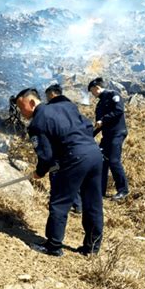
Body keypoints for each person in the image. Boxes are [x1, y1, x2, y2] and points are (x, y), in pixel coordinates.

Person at [13, 87, 103, 257]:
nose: (21, 112)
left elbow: (45, 156)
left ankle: (53, 246)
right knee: (93, 202)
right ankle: (92, 248)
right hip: (94, 153)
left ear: (31, 102)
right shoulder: (66, 105)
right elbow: (87, 125)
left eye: (21, 107)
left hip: (74, 157)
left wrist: (40, 172)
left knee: (59, 202)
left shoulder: (37, 123)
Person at [88, 77, 129, 201]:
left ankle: (123, 190)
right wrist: (89, 137)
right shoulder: (99, 104)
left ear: (97, 88)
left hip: (117, 133)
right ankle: (100, 191)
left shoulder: (113, 95)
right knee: (101, 160)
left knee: (114, 160)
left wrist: (103, 120)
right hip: (107, 135)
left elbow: (119, 110)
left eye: (92, 91)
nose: (92, 94)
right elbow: (99, 124)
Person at [45, 84, 82, 214]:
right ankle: (78, 205)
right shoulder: (71, 106)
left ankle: (55, 203)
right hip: (74, 147)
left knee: (54, 173)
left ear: (53, 94)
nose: (47, 99)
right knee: (72, 176)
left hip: (58, 148)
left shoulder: (51, 108)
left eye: (47, 96)